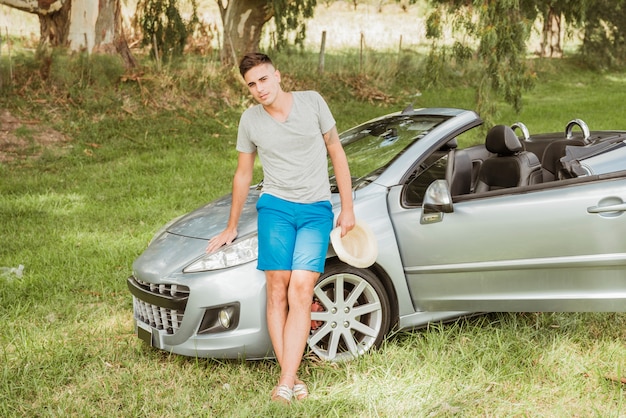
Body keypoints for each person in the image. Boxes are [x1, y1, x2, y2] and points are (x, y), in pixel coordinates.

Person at [206, 52, 355, 403]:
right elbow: (243, 173)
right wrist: (231, 226)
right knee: (278, 287)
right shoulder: (250, 121)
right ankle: (290, 380)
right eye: (251, 84)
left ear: (277, 75)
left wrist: (348, 207)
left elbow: (336, 151)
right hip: (275, 208)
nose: (259, 89)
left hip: (316, 210)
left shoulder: (313, 102)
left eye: (263, 79)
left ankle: (286, 379)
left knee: (301, 288)